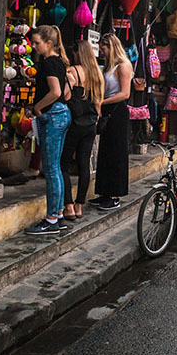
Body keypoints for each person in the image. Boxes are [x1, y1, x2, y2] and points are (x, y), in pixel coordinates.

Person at [25, 26, 73, 236]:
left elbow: (56, 92)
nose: (34, 46)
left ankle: (52, 218)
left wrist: (37, 107)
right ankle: (59, 215)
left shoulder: (50, 63)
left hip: (53, 114)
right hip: (61, 113)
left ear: (49, 43)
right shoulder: (59, 62)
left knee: (52, 168)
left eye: (37, 43)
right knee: (56, 167)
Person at [61, 40, 104, 220]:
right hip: (90, 125)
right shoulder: (97, 74)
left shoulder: (72, 72)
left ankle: (68, 206)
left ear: (78, 53)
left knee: (62, 164)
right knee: (83, 164)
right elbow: (99, 105)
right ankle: (79, 206)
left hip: (75, 124)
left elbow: (65, 96)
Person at [91, 34, 132, 211]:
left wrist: (102, 102)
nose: (102, 52)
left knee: (116, 152)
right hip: (107, 108)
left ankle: (115, 194)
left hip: (117, 110)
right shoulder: (108, 65)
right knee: (105, 152)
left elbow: (125, 93)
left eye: (104, 48)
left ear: (112, 47)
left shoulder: (122, 66)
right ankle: (104, 192)